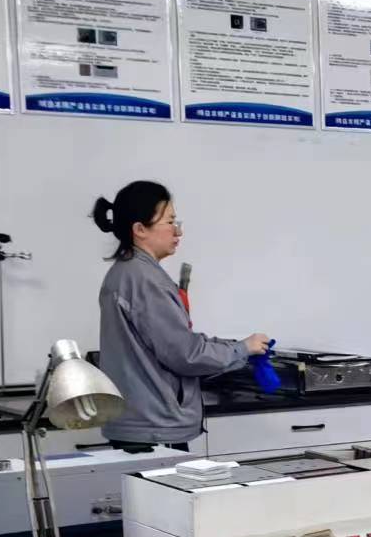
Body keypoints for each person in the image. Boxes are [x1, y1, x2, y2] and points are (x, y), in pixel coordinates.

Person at [92, 181, 271, 450]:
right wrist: (242, 349)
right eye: (169, 222)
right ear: (140, 229)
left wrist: (232, 347)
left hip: (140, 425)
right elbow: (185, 355)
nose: (178, 231)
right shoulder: (145, 280)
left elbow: (176, 342)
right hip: (155, 430)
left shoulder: (125, 273)